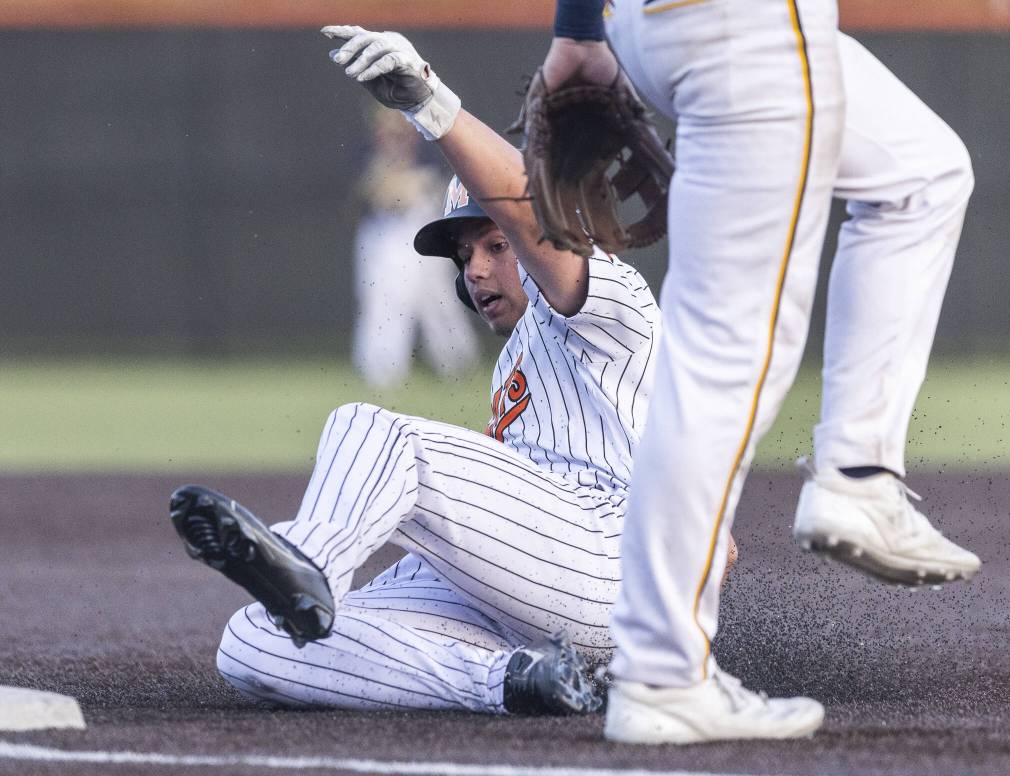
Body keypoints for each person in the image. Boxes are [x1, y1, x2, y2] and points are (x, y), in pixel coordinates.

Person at [169, 26, 680, 714]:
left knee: (376, 431)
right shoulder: (519, 361)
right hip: (530, 595)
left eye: (494, 245)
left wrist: (433, 105)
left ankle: (307, 561)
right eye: (463, 255)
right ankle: (513, 682)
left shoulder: (609, 297)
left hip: (605, 561)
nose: (473, 268)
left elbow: (533, 217)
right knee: (254, 640)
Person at [540, 0, 979, 745]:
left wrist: (580, 28)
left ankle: (860, 475)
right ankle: (663, 673)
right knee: (722, 356)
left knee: (924, 172)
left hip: (655, 24)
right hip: (752, 25)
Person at [351, 106, 479, 388]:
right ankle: (382, 369)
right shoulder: (369, 151)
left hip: (424, 227)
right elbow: (379, 192)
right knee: (386, 300)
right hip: (386, 234)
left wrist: (406, 184)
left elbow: (434, 188)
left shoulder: (428, 147)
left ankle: (457, 363)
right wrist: (398, 180)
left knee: (440, 301)